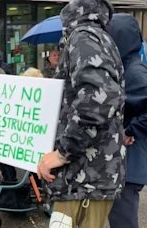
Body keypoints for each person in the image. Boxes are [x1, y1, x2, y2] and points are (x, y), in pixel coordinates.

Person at [36, 1, 126, 228]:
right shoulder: (97, 37)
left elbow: (100, 96)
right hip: (87, 178)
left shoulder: (83, 37)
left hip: (84, 179)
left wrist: (62, 153)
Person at [107, 13, 147, 228]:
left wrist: (130, 131)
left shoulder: (134, 72)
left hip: (129, 165)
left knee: (123, 221)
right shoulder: (125, 68)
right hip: (124, 164)